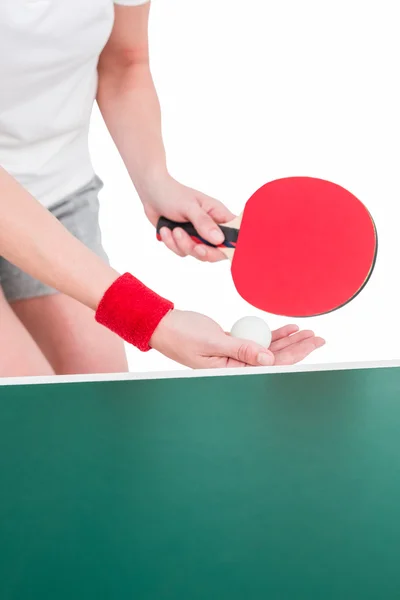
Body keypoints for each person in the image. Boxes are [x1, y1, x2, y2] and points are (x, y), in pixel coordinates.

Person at [0, 0, 325, 377]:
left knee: (97, 399)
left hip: (57, 192)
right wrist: (153, 321)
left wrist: (155, 180)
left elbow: (126, 61)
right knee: (25, 406)